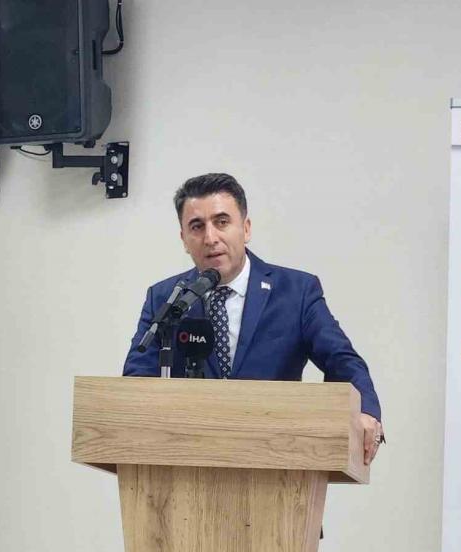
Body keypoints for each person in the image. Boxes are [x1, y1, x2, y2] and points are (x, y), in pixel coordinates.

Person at [123, 173, 383, 464]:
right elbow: (136, 379)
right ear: (184, 239)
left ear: (245, 229)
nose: (210, 238)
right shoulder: (166, 298)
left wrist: (365, 411)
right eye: (197, 226)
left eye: (222, 222)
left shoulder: (296, 292)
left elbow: (342, 360)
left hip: (276, 461)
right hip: (184, 462)